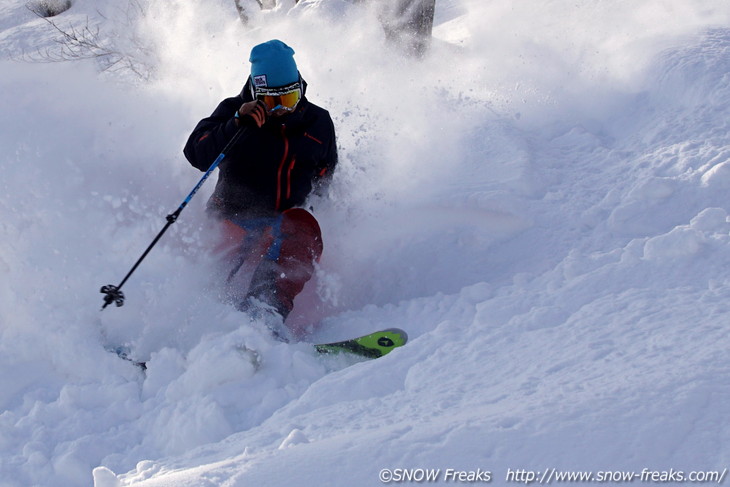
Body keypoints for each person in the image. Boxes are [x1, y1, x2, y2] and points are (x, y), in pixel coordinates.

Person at [183, 39, 338, 341]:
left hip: (283, 225)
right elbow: (196, 155)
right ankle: (191, 332)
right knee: (210, 282)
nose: (281, 109)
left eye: (290, 98)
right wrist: (236, 124)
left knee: (303, 227)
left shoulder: (318, 122)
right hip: (232, 218)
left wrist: (322, 210)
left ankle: (263, 316)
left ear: (301, 88)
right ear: (256, 93)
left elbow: (325, 176)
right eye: (271, 102)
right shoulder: (233, 114)